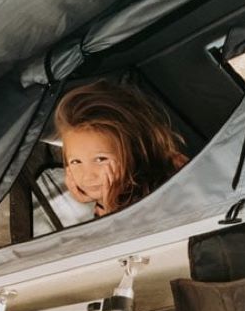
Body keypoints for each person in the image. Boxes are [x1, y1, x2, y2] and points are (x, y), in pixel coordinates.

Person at [54, 79, 188, 217]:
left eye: (100, 159)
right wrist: (101, 203)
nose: (88, 176)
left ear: (134, 149)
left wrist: (111, 211)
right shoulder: (113, 198)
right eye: (76, 162)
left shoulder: (171, 179)